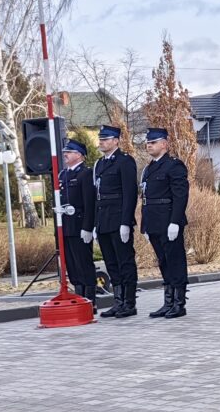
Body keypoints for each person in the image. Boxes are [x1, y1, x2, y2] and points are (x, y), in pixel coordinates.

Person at [140, 128, 190, 318]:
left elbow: (180, 196)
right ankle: (168, 302)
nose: (149, 145)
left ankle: (179, 303)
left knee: (175, 261)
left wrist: (175, 222)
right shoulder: (149, 168)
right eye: (148, 142)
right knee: (163, 261)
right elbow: (145, 199)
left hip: (168, 221)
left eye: (153, 142)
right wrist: (145, 225)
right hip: (153, 222)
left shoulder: (174, 166)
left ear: (164, 144)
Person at [94, 125, 139, 318]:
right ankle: (118, 301)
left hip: (118, 219)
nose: (101, 142)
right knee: (111, 263)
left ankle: (129, 303)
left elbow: (129, 194)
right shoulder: (99, 164)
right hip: (103, 221)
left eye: (105, 139)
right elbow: (97, 196)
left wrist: (125, 222)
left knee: (125, 262)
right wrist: (95, 224)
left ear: (116, 141)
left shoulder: (125, 161)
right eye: (100, 139)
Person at [59, 140, 97, 312]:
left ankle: (89, 301)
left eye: (69, 152)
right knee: (72, 265)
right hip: (66, 227)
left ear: (79, 155)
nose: (65, 154)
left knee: (83, 263)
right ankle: (79, 298)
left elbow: (89, 203)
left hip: (79, 226)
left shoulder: (85, 174)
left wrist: (88, 227)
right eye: (65, 152)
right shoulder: (63, 175)